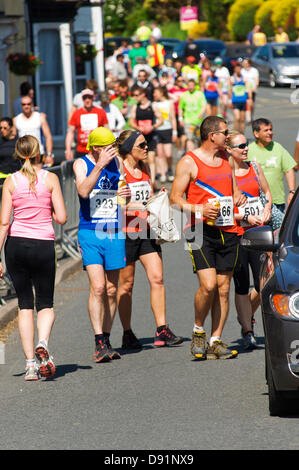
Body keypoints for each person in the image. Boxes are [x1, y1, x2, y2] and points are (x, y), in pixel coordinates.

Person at [170, 116, 247, 360]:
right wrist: (199, 209)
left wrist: (239, 197)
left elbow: (234, 190)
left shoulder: (227, 159)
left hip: (228, 229)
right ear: (212, 135)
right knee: (209, 285)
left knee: (223, 289)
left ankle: (215, 339)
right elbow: (175, 198)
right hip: (199, 230)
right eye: (225, 132)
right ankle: (198, 330)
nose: (229, 136)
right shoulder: (189, 162)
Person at [0, 135, 67, 380]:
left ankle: (30, 365)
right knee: (46, 303)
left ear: (16, 155)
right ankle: (43, 343)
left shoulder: (10, 182)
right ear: (39, 153)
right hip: (42, 245)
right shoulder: (50, 178)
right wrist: (46, 207)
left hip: (16, 245)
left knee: (24, 305)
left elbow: (4, 222)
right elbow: (62, 218)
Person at [116, 130, 183, 349]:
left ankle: (162, 329)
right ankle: (127, 332)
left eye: (147, 145)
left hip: (147, 230)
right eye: (142, 145)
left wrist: (158, 198)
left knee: (158, 278)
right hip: (126, 232)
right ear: (128, 148)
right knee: (127, 285)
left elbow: (148, 196)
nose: (147, 148)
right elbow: (119, 205)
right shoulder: (120, 170)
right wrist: (142, 206)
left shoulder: (144, 168)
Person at [73, 127, 131, 363]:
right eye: (107, 146)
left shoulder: (117, 162)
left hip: (114, 231)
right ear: (96, 147)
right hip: (90, 232)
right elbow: (83, 191)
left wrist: (124, 195)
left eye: (113, 146)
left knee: (110, 289)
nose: (112, 150)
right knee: (97, 288)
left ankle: (106, 339)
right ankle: (98, 341)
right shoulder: (81, 164)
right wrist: (98, 166)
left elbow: (121, 198)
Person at [227, 131, 272, 349]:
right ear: (229, 150)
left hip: (259, 231)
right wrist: (243, 216)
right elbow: (223, 208)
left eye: (246, 144)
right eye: (240, 146)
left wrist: (267, 208)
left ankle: (246, 315)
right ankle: (247, 329)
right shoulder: (225, 173)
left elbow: (266, 192)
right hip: (237, 233)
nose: (246, 148)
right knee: (242, 285)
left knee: (265, 283)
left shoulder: (254, 167)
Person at [248, 118, 296, 213]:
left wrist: (291, 191)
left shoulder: (278, 147)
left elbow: (288, 170)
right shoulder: (248, 150)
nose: (270, 132)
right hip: (255, 201)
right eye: (266, 130)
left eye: (271, 129)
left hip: (277, 202)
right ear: (256, 133)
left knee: (279, 228)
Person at [129, 86, 163, 184]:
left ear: (143, 94)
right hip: (141, 136)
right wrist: (137, 127)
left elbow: (161, 119)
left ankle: (152, 182)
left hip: (151, 135)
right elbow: (131, 121)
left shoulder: (153, 105)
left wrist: (152, 127)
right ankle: (146, 179)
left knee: (151, 157)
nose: (135, 97)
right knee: (143, 159)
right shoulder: (136, 107)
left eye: (136, 95)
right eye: (134, 95)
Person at [65, 89, 108, 160]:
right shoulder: (77, 113)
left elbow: (107, 130)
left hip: (98, 150)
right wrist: (68, 150)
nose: (87, 100)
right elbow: (70, 132)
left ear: (93, 98)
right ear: (82, 99)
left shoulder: (101, 112)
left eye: (89, 97)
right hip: (81, 150)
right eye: (85, 98)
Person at [13, 96, 54, 167]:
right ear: (21, 105)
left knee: (39, 176)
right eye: (24, 104)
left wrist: (49, 154)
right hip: (23, 155)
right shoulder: (16, 119)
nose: (26, 106)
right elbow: (12, 138)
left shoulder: (40, 117)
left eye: (28, 104)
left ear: (32, 104)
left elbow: (48, 137)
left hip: (38, 154)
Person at [153, 86, 177, 183]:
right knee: (160, 154)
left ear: (161, 93)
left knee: (168, 154)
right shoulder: (154, 104)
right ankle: (163, 173)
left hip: (168, 130)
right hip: (158, 130)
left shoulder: (169, 103)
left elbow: (173, 118)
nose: (154, 94)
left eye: (156, 92)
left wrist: (175, 132)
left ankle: (170, 170)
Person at [178, 78, 207, 151]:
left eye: (192, 85)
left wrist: (201, 114)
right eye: (189, 85)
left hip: (198, 122)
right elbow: (180, 108)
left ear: (195, 86)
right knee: (189, 139)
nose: (190, 87)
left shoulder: (200, 94)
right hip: (188, 122)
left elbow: (204, 106)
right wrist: (180, 118)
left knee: (199, 139)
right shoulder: (184, 95)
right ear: (187, 86)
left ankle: (199, 154)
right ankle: (191, 155)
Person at [229, 64, 252, 134]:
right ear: (235, 70)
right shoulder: (232, 79)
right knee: (237, 118)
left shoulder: (244, 79)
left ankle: (242, 134)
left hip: (243, 101)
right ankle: (235, 133)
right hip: (235, 101)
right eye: (237, 69)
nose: (238, 70)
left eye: (239, 69)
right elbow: (229, 90)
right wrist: (229, 100)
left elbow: (248, 88)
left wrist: (250, 98)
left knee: (242, 119)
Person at [0, 117, 21, 183]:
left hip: (16, 178)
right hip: (2, 179)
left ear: (11, 128)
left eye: (5, 128)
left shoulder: (18, 142)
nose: (2, 130)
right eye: (0, 128)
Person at [241, 58, 259, 123]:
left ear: (249, 64)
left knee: (251, 104)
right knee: (247, 103)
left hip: (252, 90)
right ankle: (248, 118)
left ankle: (251, 116)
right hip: (245, 90)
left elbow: (256, 80)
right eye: (243, 63)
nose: (244, 64)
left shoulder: (254, 70)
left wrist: (255, 87)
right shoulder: (242, 70)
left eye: (245, 63)